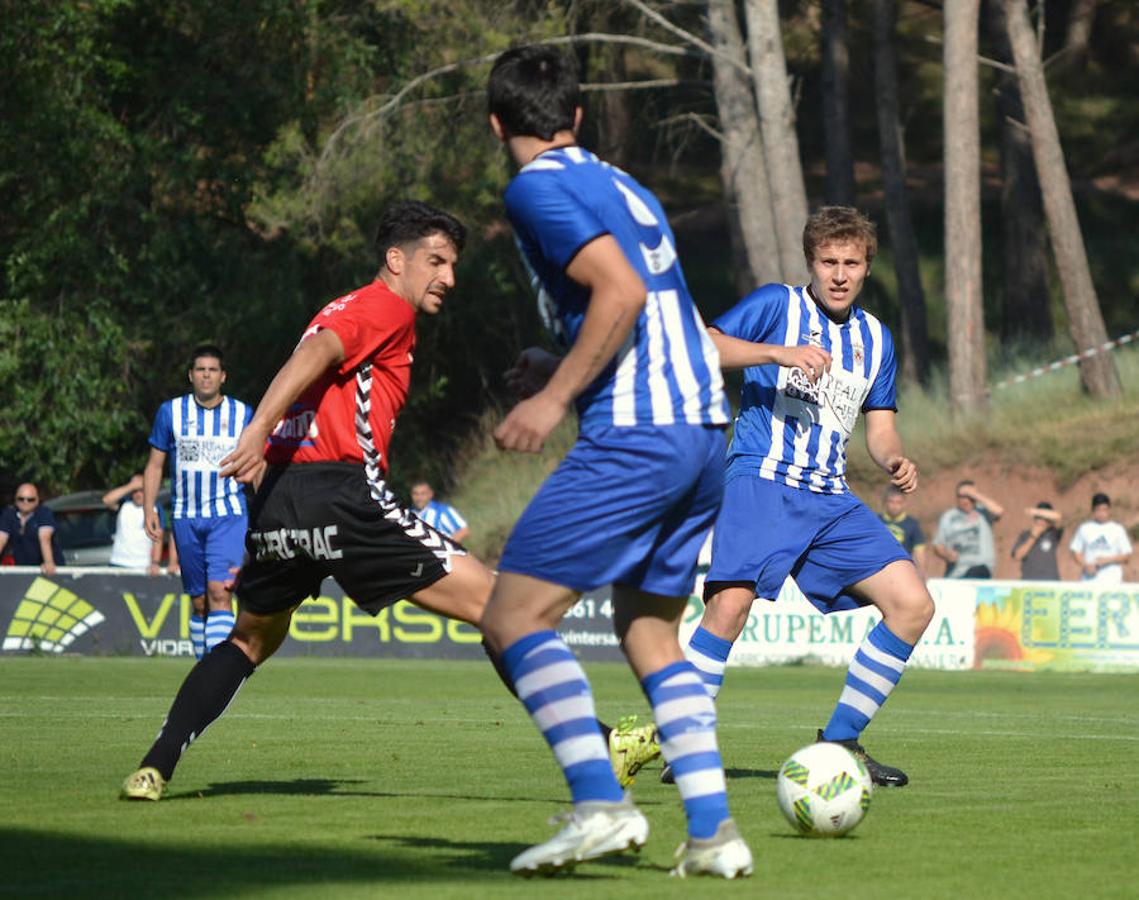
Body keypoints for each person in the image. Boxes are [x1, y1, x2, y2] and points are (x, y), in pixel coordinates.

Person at [117, 201, 656, 806]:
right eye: (437, 260)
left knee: (249, 641)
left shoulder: (342, 308)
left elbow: (314, 368)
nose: (448, 277)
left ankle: (154, 766)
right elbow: (317, 355)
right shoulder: (384, 306)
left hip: (280, 504)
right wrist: (253, 429)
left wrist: (265, 448)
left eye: (452, 265)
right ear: (395, 260)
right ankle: (602, 745)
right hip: (342, 497)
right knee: (508, 612)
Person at [479, 45, 751, 880]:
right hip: (704, 426)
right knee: (646, 633)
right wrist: (553, 356)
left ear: (497, 125)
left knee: (512, 619)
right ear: (579, 117)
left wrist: (551, 399)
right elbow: (655, 305)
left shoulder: (534, 187)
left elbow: (620, 294)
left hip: (639, 433)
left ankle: (600, 803)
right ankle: (712, 832)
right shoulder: (622, 183)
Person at [674, 206, 933, 793]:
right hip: (762, 478)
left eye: (852, 263)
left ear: (867, 268)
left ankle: (840, 742)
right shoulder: (777, 305)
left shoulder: (876, 338)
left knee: (913, 604)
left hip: (830, 497)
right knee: (729, 609)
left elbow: (881, 426)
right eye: (828, 262)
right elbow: (703, 348)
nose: (839, 274)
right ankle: (682, 744)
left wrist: (893, 458)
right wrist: (777, 353)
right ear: (811, 263)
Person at [144, 345, 253, 658]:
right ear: (191, 376)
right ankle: (204, 665)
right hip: (185, 516)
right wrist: (149, 507)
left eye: (213, 370)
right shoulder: (171, 412)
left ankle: (215, 676)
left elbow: (258, 462)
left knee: (220, 592)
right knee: (200, 602)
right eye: (201, 370)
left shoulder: (243, 413)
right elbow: (155, 464)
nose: (207, 375)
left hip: (228, 515)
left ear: (223, 377)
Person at [932, 480, 1004, 578]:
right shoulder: (948, 517)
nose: (966, 500)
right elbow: (938, 546)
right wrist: (947, 555)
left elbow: (999, 511)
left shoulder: (983, 513)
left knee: (978, 571)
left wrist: (974, 494)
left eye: (970, 497)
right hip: (956, 574)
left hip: (981, 571)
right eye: (962, 496)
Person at [102, 474, 165, 575]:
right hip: (118, 562)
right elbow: (107, 500)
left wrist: (155, 562)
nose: (138, 494)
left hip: (142, 566)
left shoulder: (155, 508)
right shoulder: (124, 504)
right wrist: (131, 486)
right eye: (135, 491)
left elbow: (158, 537)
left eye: (141, 490)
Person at [1069, 492, 1133, 584]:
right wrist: (1085, 565)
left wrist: (1108, 560)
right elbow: (1076, 552)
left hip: (1113, 581)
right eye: (1098, 510)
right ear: (1093, 510)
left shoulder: (1117, 529)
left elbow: (1126, 556)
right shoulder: (1084, 528)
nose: (1101, 513)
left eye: (1104, 510)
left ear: (1109, 510)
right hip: (1089, 581)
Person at [0, 483, 60, 574]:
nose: (25, 502)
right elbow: (1, 539)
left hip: (47, 570)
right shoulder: (9, 515)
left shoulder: (44, 513)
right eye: (21, 499)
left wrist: (48, 562)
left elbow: (45, 538)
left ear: (37, 500)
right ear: (15, 500)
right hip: (22, 570)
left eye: (30, 499)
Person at [879, 484, 928, 577]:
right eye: (891, 502)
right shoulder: (876, 521)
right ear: (885, 502)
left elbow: (919, 552)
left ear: (905, 503)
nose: (894, 506)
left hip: (903, 572)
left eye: (898, 502)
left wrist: (921, 574)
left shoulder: (912, 524)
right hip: (880, 570)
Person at [1011, 501, 1063, 581]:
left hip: (1050, 581)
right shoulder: (1025, 535)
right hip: (1029, 581)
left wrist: (1036, 511)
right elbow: (1017, 556)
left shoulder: (1053, 533)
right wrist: (1033, 537)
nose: (1041, 521)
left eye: (1045, 518)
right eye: (1038, 518)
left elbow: (1059, 517)